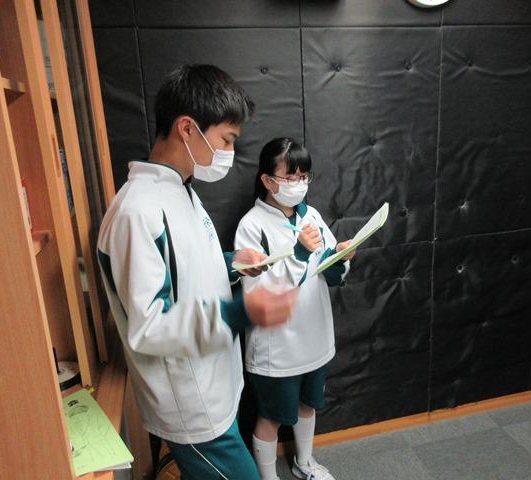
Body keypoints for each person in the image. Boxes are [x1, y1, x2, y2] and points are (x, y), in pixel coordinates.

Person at [97, 65, 298, 480]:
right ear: (187, 128)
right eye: (227, 140)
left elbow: (183, 272)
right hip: (191, 405)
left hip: (215, 384)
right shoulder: (138, 212)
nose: (230, 152)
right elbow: (149, 327)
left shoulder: (180, 190)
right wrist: (242, 312)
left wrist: (234, 263)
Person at [235, 137, 355, 480]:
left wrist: (340, 258)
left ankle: (305, 464)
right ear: (267, 180)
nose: (299, 184)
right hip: (277, 345)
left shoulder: (311, 215)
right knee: (271, 416)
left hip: (313, 334)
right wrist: (299, 254)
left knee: (308, 404)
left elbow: (327, 268)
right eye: (290, 177)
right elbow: (256, 290)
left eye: (304, 177)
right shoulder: (252, 226)